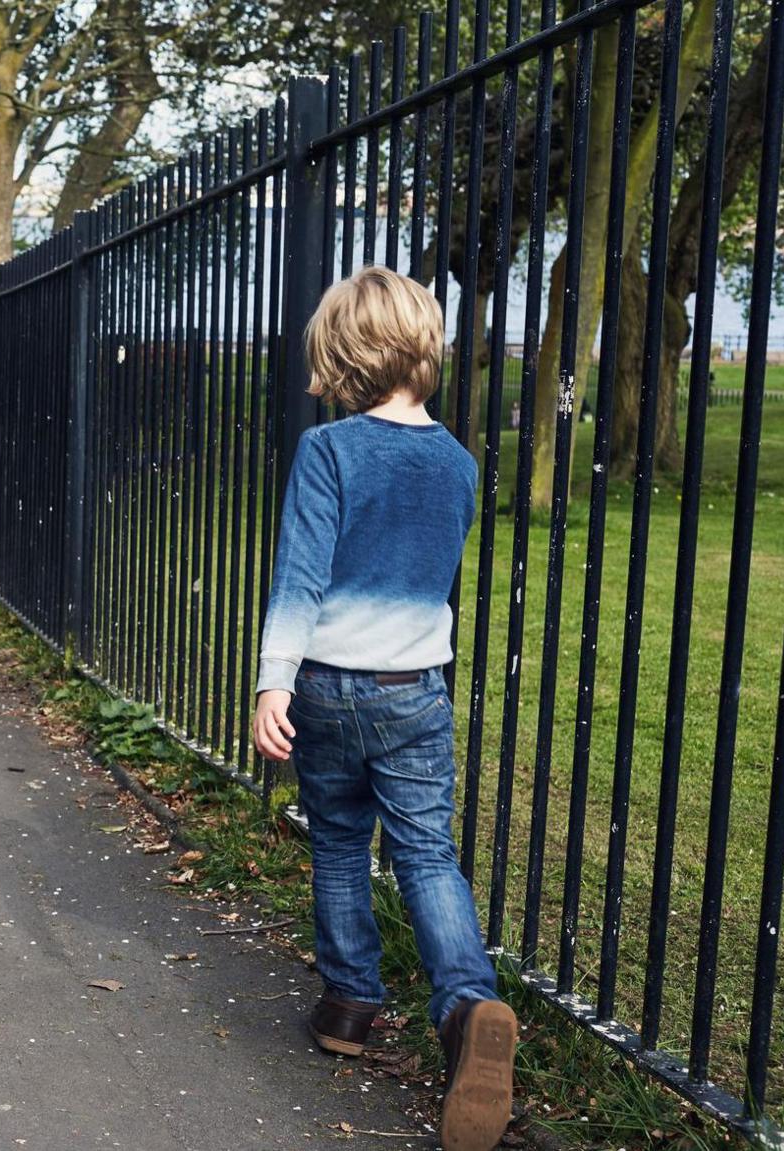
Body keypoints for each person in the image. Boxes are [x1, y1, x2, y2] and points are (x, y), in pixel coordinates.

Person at [250, 265, 516, 1151]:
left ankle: (349, 1004)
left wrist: (273, 679)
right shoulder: (457, 463)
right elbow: (437, 579)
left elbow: (301, 577)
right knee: (426, 849)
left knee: (337, 841)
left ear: (344, 356)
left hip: (326, 684)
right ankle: (468, 1002)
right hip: (414, 690)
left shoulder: (329, 451)